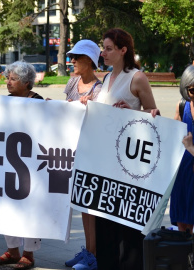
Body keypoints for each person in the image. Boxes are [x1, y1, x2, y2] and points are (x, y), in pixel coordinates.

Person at [95, 28, 159, 270]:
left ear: (123, 50)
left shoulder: (137, 77)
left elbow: (155, 118)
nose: (104, 53)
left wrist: (132, 112)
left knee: (129, 231)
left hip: (130, 166)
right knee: (106, 229)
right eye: (103, 48)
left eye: (109, 48)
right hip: (105, 163)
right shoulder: (106, 78)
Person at [0, 61, 42, 269]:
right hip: (7, 162)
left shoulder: (38, 102)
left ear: (27, 83)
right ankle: (12, 251)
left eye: (13, 79)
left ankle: (28, 254)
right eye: (7, 78)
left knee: (30, 207)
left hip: (30, 165)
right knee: (6, 206)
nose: (8, 82)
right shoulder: (5, 102)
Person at [62, 40, 102, 270]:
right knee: (82, 205)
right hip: (73, 151)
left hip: (91, 152)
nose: (72, 60)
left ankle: (93, 255)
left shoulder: (98, 89)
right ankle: (88, 251)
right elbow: (65, 108)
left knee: (91, 207)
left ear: (89, 61)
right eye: (72, 56)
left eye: (77, 57)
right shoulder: (73, 81)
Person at [170, 65, 194, 235]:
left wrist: (191, 148)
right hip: (182, 170)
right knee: (181, 219)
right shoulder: (181, 106)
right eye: (193, 90)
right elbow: (169, 135)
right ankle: (184, 257)